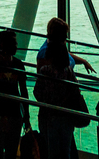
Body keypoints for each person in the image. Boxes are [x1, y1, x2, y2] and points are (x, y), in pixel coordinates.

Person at [37, 17, 94, 159]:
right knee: (64, 150)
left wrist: (83, 61)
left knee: (55, 150)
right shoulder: (53, 55)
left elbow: (39, 89)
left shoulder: (53, 51)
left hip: (51, 112)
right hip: (62, 111)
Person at [0, 30, 28, 159]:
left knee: (8, 150)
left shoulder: (18, 64)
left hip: (10, 112)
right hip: (3, 112)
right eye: (13, 43)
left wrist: (26, 115)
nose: (16, 46)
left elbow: (24, 90)